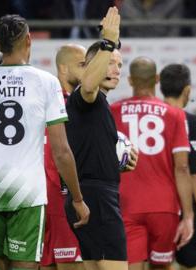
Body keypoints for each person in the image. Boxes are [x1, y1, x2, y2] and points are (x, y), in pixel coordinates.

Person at [0, 14, 90, 270]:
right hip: (29, 196)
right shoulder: (47, 83)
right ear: (28, 40)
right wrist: (77, 198)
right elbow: (61, 150)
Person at [63, 7, 137, 270]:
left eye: (119, 64)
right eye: (109, 62)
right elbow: (89, 86)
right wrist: (108, 42)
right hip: (97, 197)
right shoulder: (85, 97)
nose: (116, 69)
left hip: (91, 194)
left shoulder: (98, 105)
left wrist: (116, 160)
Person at [110, 57, 194, 270]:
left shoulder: (113, 112)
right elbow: (182, 168)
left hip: (126, 203)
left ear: (130, 80)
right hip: (164, 206)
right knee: (161, 267)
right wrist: (189, 216)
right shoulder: (175, 115)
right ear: (157, 79)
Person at [159, 63, 196, 270]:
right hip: (184, 207)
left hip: (154, 207)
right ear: (187, 90)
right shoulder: (188, 121)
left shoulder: (149, 116)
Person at [40, 44, 87, 269]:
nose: (88, 70)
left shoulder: (40, 98)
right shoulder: (70, 104)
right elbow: (61, 153)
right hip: (61, 199)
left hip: (36, 200)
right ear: (63, 69)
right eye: (82, 65)